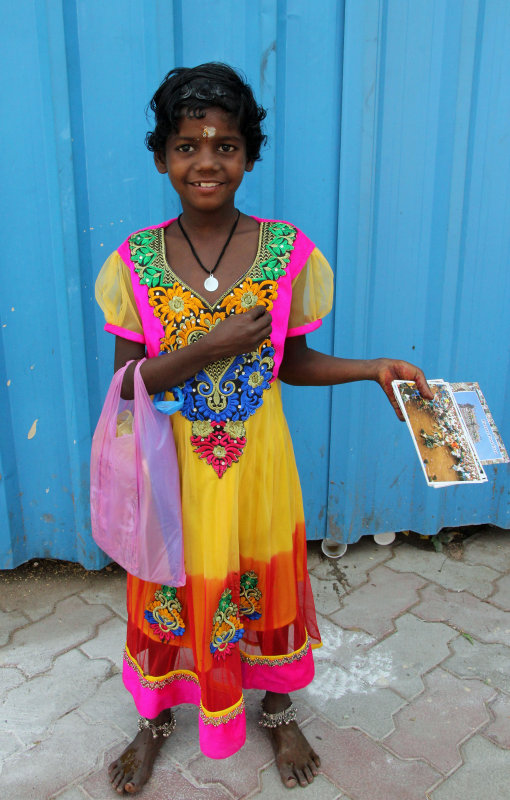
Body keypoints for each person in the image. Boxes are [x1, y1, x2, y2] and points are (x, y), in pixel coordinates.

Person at [95, 62, 431, 794]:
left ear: (249, 155)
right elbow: (128, 387)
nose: (206, 161)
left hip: (259, 465)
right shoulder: (134, 262)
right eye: (187, 146)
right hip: (176, 469)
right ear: (162, 157)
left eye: (225, 145)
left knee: (264, 583)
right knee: (170, 585)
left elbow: (294, 363)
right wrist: (210, 346)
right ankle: (157, 716)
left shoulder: (287, 254)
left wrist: (373, 369)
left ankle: (276, 707)